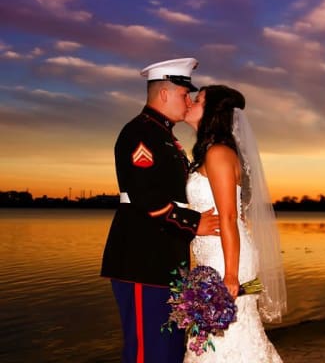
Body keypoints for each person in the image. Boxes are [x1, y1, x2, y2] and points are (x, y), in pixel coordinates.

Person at [100, 58, 220, 363]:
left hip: (162, 257)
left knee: (166, 350)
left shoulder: (164, 137)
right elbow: (145, 195)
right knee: (146, 350)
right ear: (164, 94)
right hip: (141, 257)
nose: (189, 100)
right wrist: (194, 225)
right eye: (184, 94)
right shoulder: (140, 133)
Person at [183, 85, 287, 362]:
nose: (190, 103)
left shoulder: (218, 153)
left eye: (198, 99)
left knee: (223, 340)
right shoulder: (212, 152)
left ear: (213, 111)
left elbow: (229, 216)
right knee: (224, 337)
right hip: (217, 254)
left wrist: (230, 275)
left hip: (226, 259)